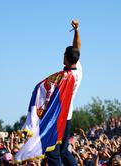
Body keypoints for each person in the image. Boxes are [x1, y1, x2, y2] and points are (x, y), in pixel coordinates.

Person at [45, 20, 82, 166]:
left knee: (52, 150)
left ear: (66, 57)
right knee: (64, 151)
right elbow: (77, 47)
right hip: (68, 115)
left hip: (59, 116)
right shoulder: (78, 69)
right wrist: (77, 30)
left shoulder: (64, 77)